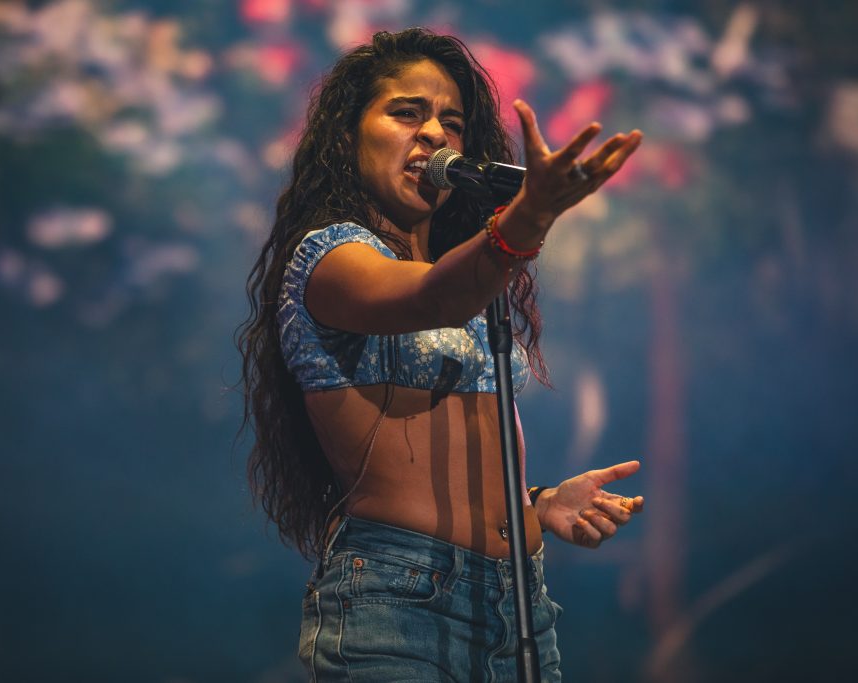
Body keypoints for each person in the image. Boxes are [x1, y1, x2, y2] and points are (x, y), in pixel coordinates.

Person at [238, 27, 644, 682]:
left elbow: (448, 451)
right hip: (402, 604)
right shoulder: (330, 257)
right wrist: (528, 218)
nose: (433, 134)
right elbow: (430, 300)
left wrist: (535, 506)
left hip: (519, 607)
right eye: (407, 112)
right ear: (348, 135)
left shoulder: (466, 271)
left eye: (451, 122)